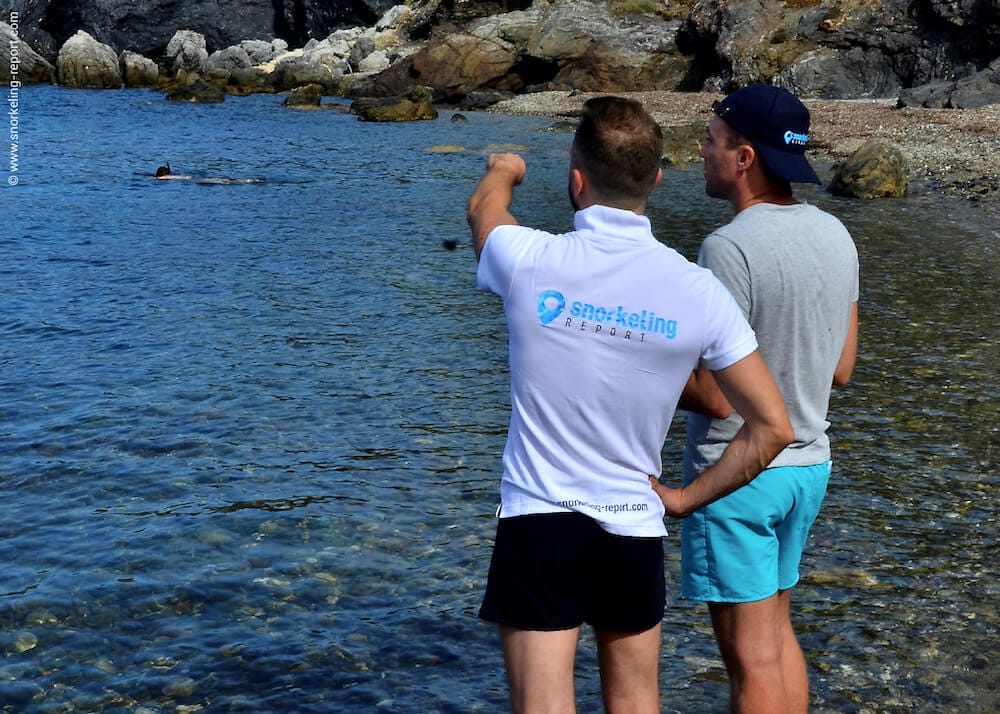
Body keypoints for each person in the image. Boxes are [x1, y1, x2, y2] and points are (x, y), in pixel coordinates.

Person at [467, 95, 794, 714]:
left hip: (540, 519)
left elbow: (485, 213)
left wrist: (504, 169)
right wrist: (683, 499)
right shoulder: (699, 291)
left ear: (577, 181)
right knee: (637, 701)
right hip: (634, 524)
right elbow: (773, 426)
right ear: (657, 180)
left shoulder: (529, 259)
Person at [657, 84, 860, 713]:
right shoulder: (837, 234)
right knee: (775, 638)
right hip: (808, 469)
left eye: (711, 141)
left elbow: (717, 399)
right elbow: (842, 370)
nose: (701, 151)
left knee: (750, 661)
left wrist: (631, 358)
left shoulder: (728, 248)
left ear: (744, 158)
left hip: (738, 473)